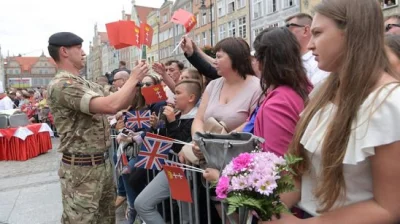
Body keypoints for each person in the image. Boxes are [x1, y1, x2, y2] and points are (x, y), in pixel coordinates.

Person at [264, 0, 400, 223]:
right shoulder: (322, 92)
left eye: (317, 33)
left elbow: (389, 207)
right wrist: (272, 208)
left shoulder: (390, 103)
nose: (310, 45)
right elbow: (301, 170)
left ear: (351, 33)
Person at [46, 32, 149, 223]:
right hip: (81, 169)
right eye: (78, 48)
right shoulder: (63, 85)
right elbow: (109, 106)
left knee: (106, 219)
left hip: (101, 164)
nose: (83, 53)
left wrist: (136, 82)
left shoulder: (84, 83)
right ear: (64, 51)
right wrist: (133, 79)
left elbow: (120, 102)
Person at [135, 79, 202, 224]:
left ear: (191, 98)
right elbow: (164, 142)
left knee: (187, 217)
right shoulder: (177, 115)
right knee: (142, 204)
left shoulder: (197, 119)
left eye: (178, 93)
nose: (174, 97)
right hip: (173, 170)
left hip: (186, 173)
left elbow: (181, 148)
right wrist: (156, 126)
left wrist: (171, 122)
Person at [285, 13, 330, 86]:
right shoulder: (290, 62)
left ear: (305, 30)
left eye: (288, 27)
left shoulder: (319, 63)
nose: (285, 33)